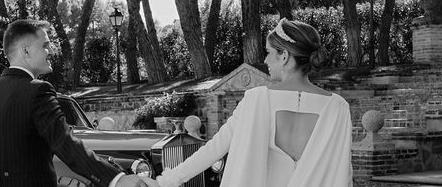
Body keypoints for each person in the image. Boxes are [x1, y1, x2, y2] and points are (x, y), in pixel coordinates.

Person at [147, 18, 352, 187]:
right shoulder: (337, 107)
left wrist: (164, 182)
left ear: (285, 56)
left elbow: (215, 149)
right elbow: (344, 171)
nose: (265, 60)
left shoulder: (258, 99)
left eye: (269, 52)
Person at [0, 19, 149, 187]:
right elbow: (65, 142)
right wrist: (116, 179)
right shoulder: (38, 90)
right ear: (25, 51)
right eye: (45, 45)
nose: (51, 51)